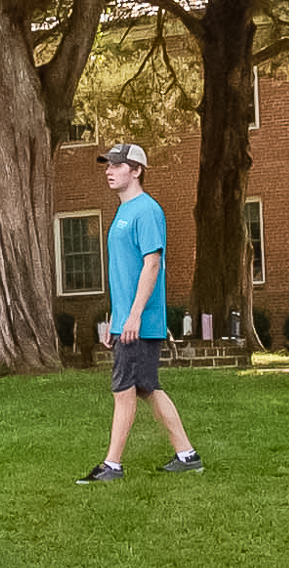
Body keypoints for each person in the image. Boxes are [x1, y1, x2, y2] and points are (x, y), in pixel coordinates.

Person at [77, 143, 204, 483]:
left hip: (140, 321)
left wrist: (132, 317)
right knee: (147, 387)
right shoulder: (123, 212)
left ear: (136, 171)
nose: (109, 170)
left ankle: (112, 465)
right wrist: (114, 319)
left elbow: (152, 265)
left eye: (118, 165)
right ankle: (187, 454)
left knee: (124, 389)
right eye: (108, 164)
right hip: (128, 320)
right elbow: (125, 272)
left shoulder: (146, 211)